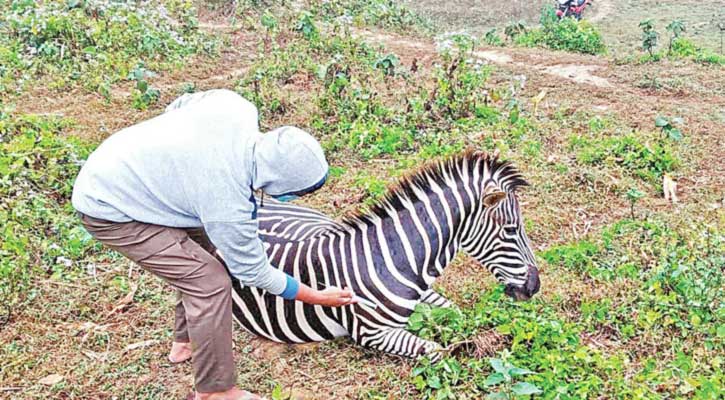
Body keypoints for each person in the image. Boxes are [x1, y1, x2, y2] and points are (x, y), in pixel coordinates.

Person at [72, 89, 356, 400]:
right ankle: (215, 391)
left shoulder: (236, 108)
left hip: (121, 165)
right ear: (275, 183)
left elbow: (181, 104)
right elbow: (255, 272)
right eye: (294, 194)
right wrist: (316, 296)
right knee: (209, 282)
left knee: (200, 254)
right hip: (109, 208)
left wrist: (175, 162)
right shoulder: (226, 200)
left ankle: (186, 342)